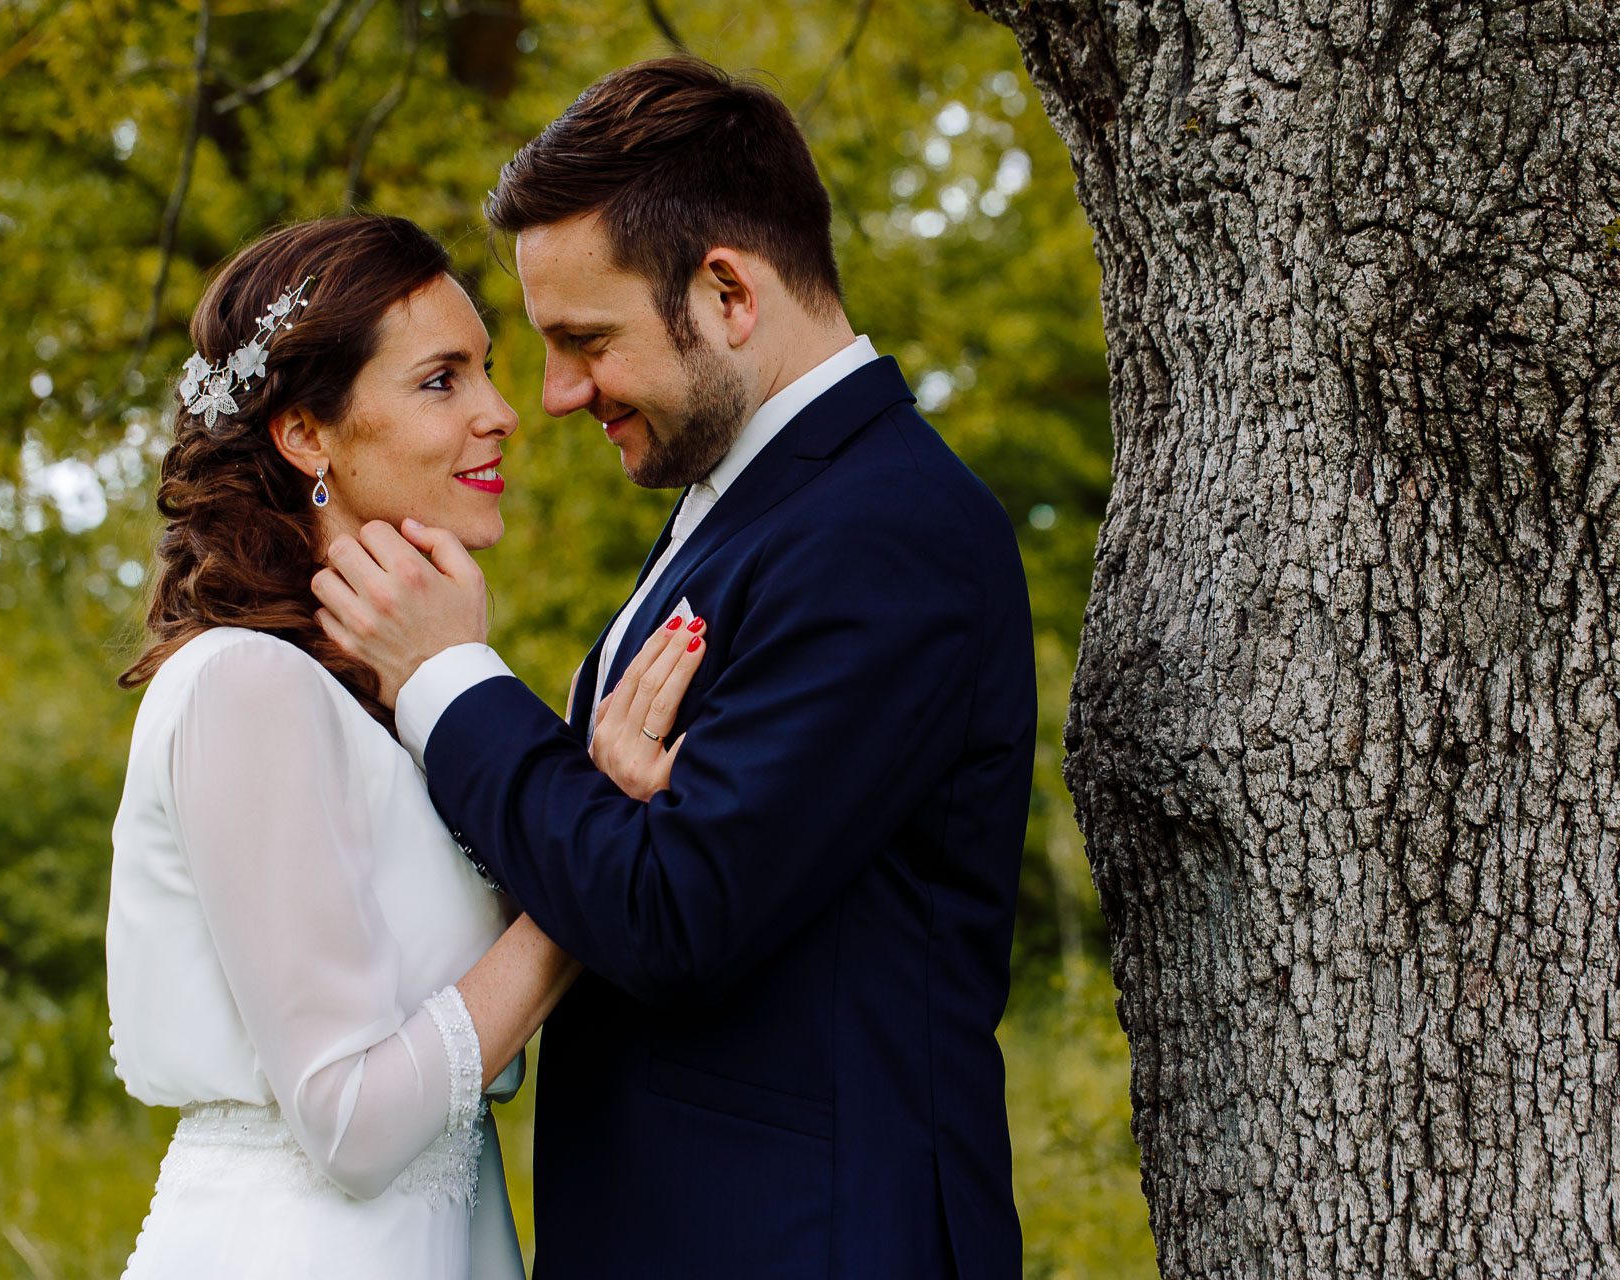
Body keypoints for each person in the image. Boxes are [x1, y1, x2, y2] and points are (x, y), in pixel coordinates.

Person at [313, 58, 1036, 1278]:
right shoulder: (755, 498)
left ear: (727, 292)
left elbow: (673, 910)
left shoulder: (884, 528)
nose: (552, 396)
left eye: (585, 340)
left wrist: (444, 677)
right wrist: (601, 795)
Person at [106, 213, 702, 1280]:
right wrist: (598, 847)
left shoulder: (381, 705)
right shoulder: (247, 683)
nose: (503, 413)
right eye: (442, 381)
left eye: (487, 372)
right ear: (305, 435)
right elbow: (351, 1121)